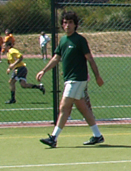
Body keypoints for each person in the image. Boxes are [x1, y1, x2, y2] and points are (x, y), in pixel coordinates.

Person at [36, 11, 105, 147]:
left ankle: (54, 138)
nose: (67, 25)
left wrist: (97, 76)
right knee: (83, 107)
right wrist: (43, 70)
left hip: (77, 79)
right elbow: (56, 58)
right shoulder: (62, 40)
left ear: (75, 25)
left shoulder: (80, 40)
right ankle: (97, 135)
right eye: (65, 22)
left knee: (64, 107)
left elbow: (90, 59)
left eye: (70, 23)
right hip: (69, 79)